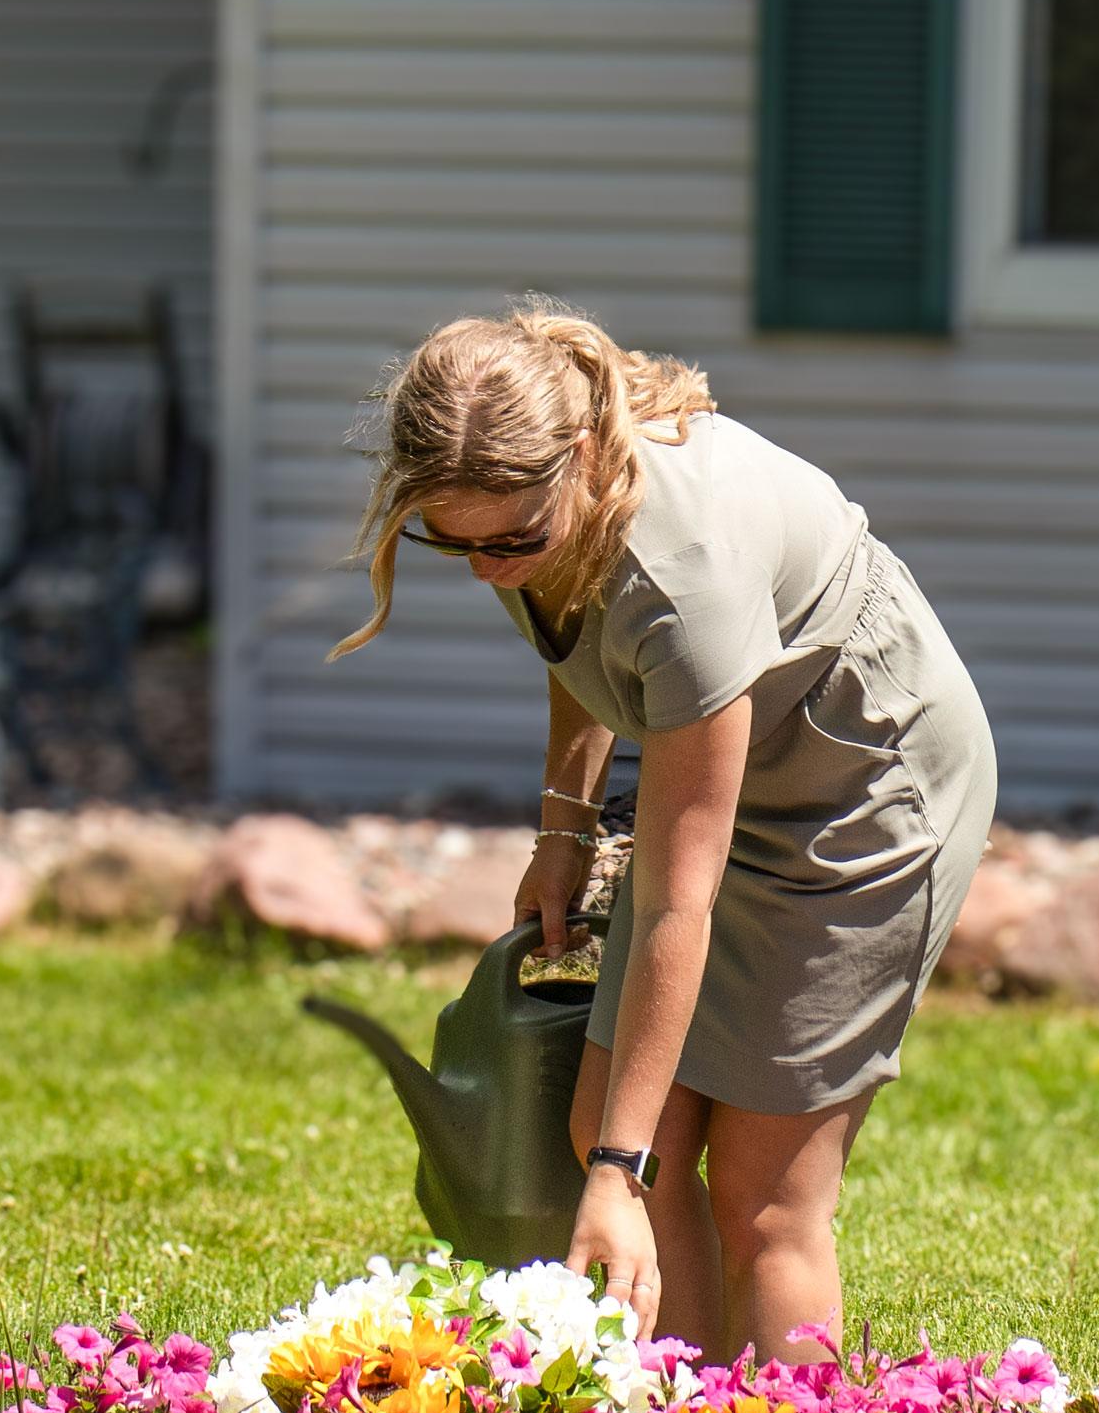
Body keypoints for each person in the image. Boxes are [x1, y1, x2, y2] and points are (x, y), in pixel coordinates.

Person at [335, 300, 995, 1357]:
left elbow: (679, 898)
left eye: (512, 539)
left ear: (586, 462)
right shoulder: (534, 512)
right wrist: (565, 828)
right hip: (726, 751)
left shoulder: (681, 575)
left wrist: (614, 1175)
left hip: (862, 790)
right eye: (451, 541)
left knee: (762, 1194)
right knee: (613, 1123)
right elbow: (584, 642)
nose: (490, 567)